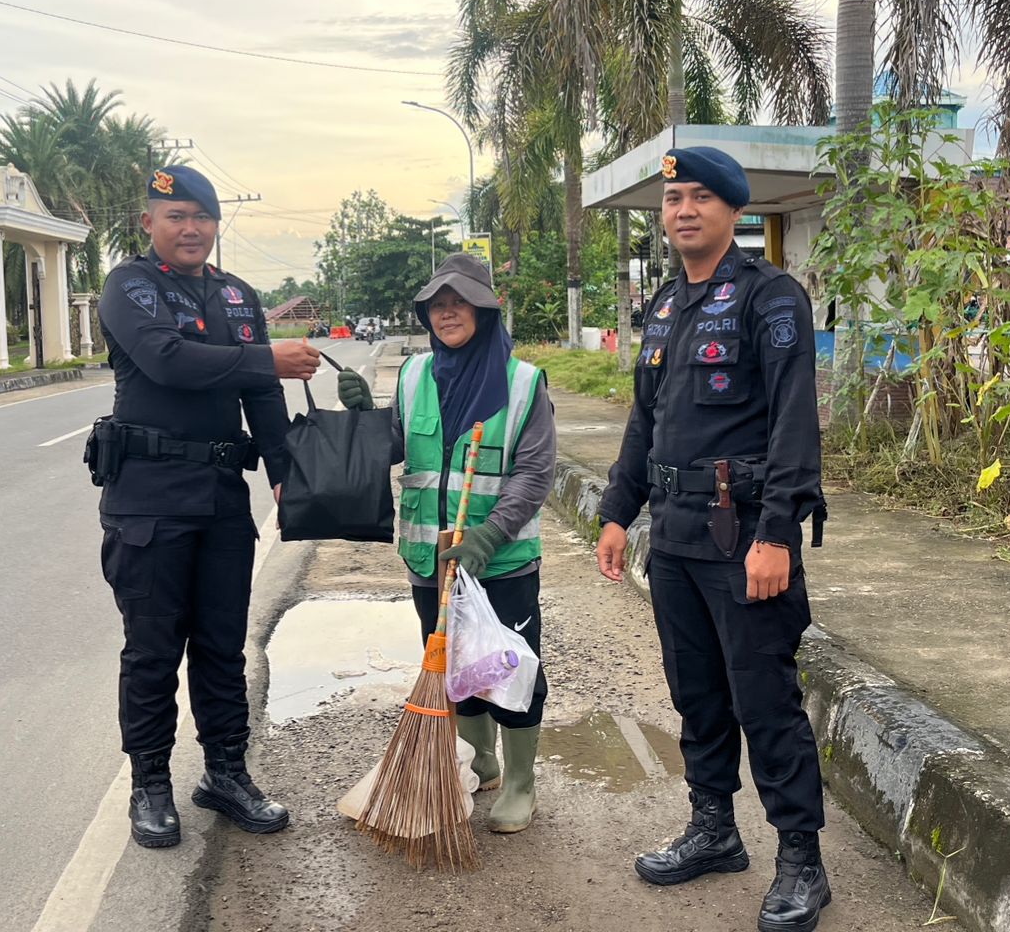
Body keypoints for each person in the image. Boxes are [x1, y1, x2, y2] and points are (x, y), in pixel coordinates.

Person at [595, 147, 831, 932]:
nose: (683, 210)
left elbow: (796, 424)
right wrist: (617, 510)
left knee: (765, 701)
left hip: (743, 537)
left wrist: (777, 536)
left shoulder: (771, 299)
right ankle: (714, 828)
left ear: (733, 211)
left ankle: (801, 857)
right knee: (696, 695)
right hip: (677, 539)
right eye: (673, 200)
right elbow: (645, 421)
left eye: (700, 197)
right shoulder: (665, 306)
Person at [93, 164, 321, 850]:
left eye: (202, 216)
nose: (190, 228)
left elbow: (263, 403)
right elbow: (166, 360)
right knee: (154, 649)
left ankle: (226, 773)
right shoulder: (129, 287)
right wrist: (265, 361)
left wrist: (288, 478)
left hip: (223, 498)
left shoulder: (238, 296)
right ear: (149, 224)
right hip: (149, 501)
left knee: (223, 646)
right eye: (176, 216)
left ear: (216, 225)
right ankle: (151, 786)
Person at [336, 252, 555, 834]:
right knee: (456, 667)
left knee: (509, 669)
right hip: (430, 560)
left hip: (500, 560)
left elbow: (533, 474)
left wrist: (489, 534)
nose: (447, 312)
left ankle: (519, 781)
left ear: (484, 310)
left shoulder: (523, 382)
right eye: (437, 304)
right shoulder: (414, 376)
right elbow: (399, 448)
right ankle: (479, 759)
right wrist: (366, 419)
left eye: (459, 302)